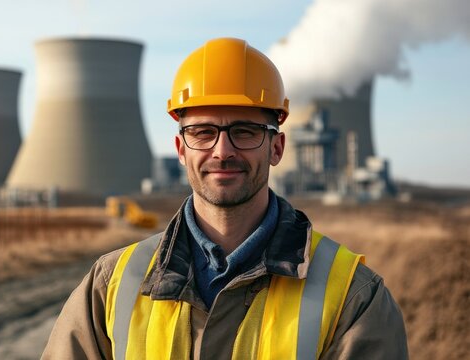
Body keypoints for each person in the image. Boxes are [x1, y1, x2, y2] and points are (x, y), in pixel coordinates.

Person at [41, 37, 408, 359]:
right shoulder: (112, 285)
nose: (222, 151)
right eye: (202, 133)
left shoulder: (352, 295)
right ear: (180, 149)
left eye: (245, 132)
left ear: (276, 147)